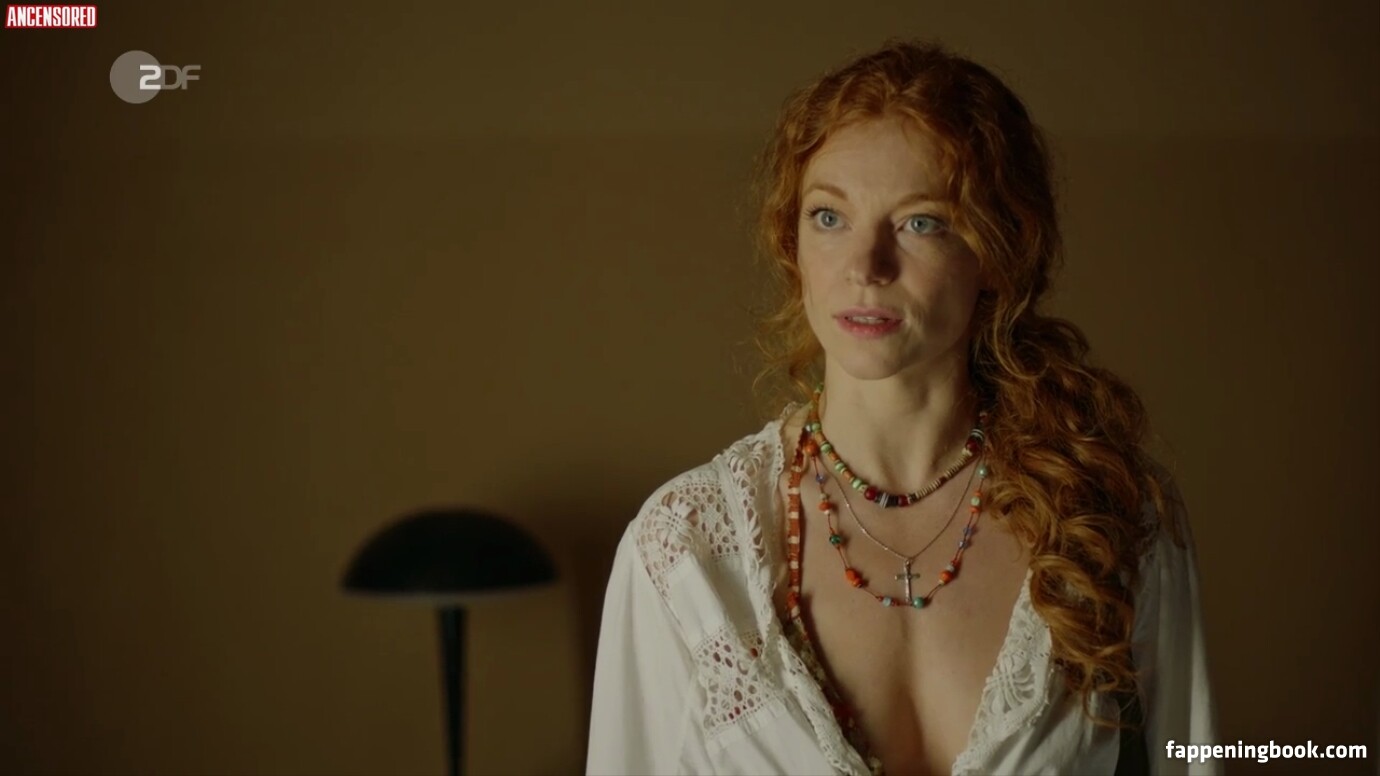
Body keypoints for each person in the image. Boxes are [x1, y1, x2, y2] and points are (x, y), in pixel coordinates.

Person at [586, 39, 1217, 776]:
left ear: (998, 253)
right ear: (792, 242)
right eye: (829, 217)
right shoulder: (686, 550)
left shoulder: (1112, 516)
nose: (865, 267)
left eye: (921, 222)